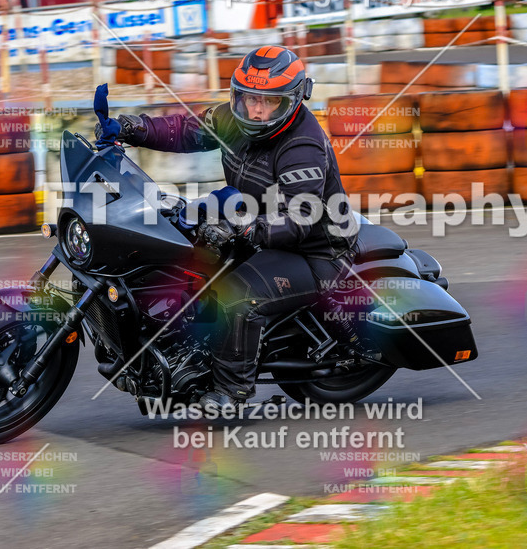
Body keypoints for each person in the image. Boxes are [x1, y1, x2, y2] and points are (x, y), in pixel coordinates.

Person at [95, 45, 365, 410]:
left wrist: (245, 230)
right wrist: (130, 128)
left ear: (292, 101)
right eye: (248, 98)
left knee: (236, 291)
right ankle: (180, 355)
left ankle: (230, 390)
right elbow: (185, 130)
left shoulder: (302, 145)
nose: (255, 109)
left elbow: (298, 221)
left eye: (268, 102)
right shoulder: (236, 120)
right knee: (182, 255)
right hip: (254, 223)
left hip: (316, 250)